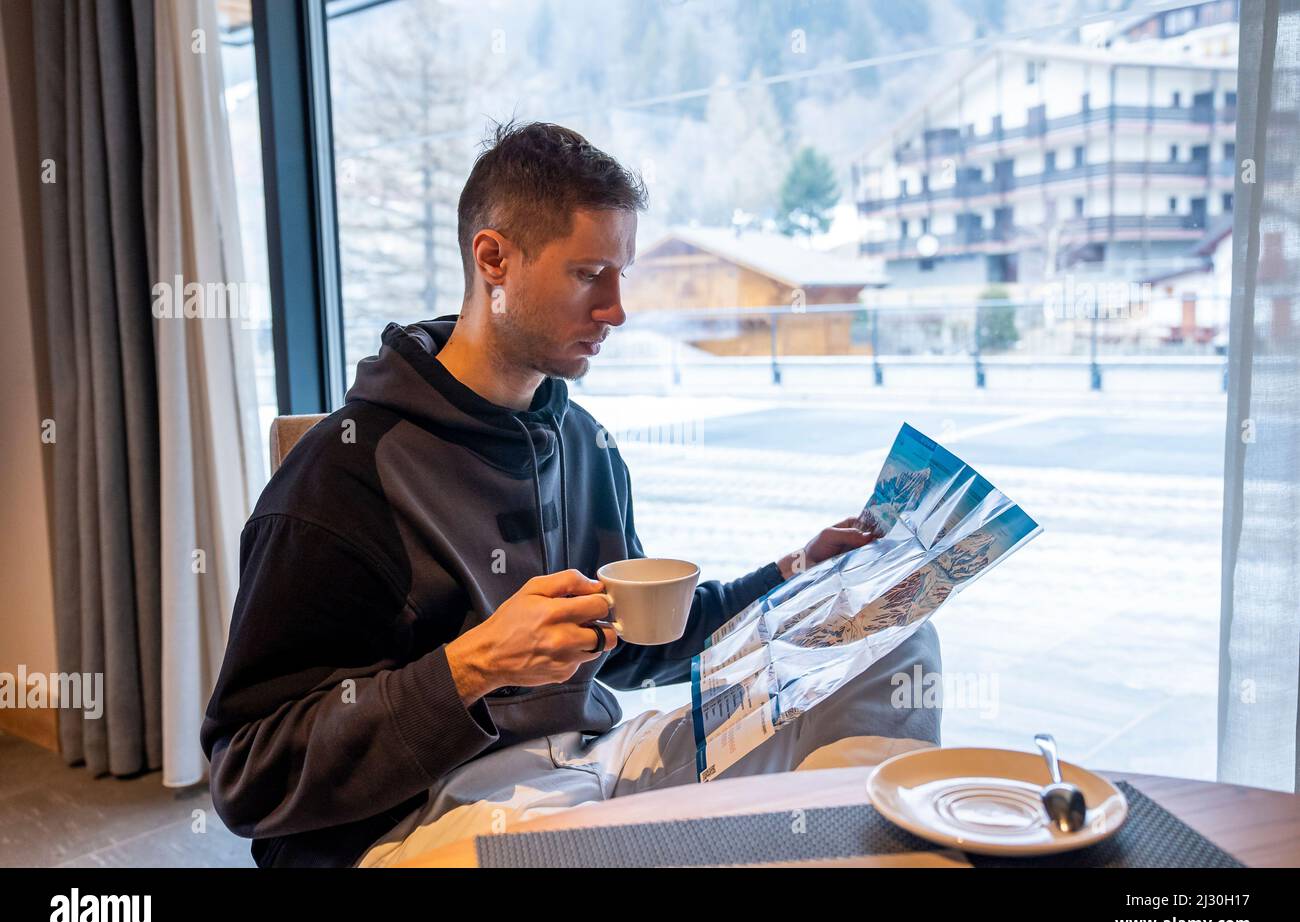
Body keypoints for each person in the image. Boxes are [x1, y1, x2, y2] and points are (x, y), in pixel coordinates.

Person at [200, 120, 942, 868]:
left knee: (892, 643)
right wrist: (472, 667)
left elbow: (637, 647)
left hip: (597, 767)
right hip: (429, 819)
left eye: (621, 276)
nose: (617, 308)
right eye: (590, 275)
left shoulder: (583, 443)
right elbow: (247, 775)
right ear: (494, 259)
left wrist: (794, 575)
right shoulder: (345, 475)